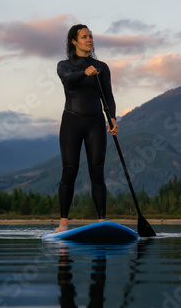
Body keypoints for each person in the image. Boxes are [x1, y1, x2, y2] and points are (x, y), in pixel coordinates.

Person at [55, 24, 118, 232]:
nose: (89, 40)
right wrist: (84, 72)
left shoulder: (102, 67)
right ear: (74, 41)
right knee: (69, 171)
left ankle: (102, 221)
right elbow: (69, 81)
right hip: (71, 122)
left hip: (95, 123)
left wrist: (112, 118)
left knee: (97, 172)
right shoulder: (64, 65)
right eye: (84, 37)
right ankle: (63, 223)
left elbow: (108, 97)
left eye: (90, 36)